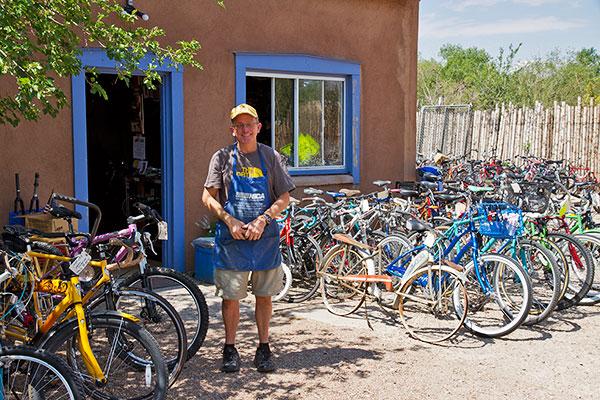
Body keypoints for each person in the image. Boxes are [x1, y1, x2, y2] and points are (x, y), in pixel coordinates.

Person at [202, 103, 295, 373]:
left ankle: (263, 348)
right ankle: (230, 349)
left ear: (258, 127)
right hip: (232, 242)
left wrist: (263, 220)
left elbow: (284, 197)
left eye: (248, 125)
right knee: (231, 298)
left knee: (264, 296)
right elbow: (207, 195)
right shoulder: (221, 158)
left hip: (264, 240)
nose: (244, 130)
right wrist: (229, 220)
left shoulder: (271, 157)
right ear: (233, 130)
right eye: (239, 125)